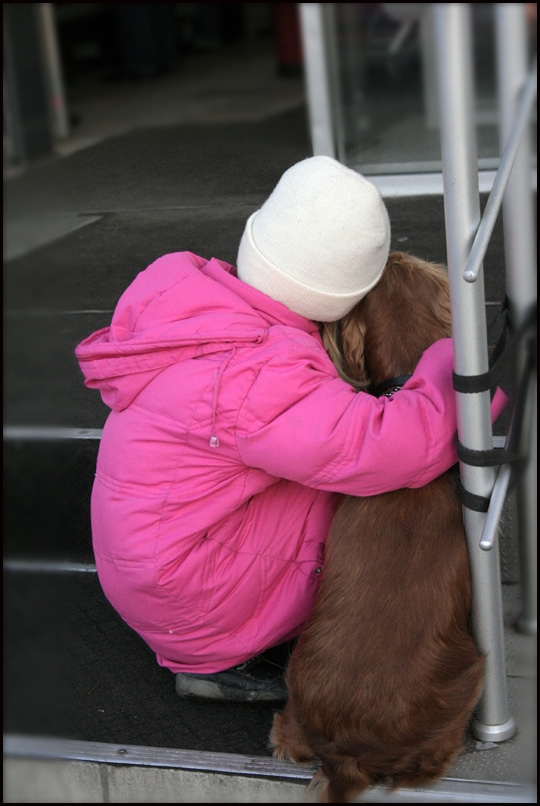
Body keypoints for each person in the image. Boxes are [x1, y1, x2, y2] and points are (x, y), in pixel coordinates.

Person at [76, 156, 504, 702]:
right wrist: (458, 369)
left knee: (316, 463)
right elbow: (387, 448)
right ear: (341, 297)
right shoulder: (257, 376)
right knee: (354, 489)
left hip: (155, 563)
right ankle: (218, 665)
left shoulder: (197, 312)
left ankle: (211, 648)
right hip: (196, 598)